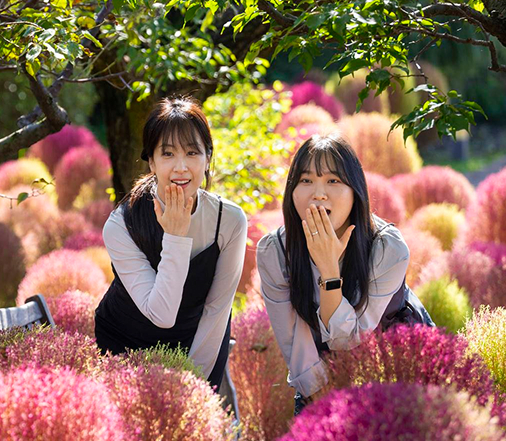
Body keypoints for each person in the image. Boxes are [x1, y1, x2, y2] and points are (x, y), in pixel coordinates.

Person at [256, 132, 434, 416]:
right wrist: (321, 399)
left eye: (332, 181)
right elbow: (294, 339)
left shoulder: (387, 248)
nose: (318, 193)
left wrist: (328, 270)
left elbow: (349, 340)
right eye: (305, 181)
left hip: (396, 366)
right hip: (320, 377)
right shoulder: (275, 252)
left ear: (355, 191)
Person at [94, 96, 247, 388]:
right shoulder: (120, 225)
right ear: (151, 161)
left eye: (192, 153)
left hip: (194, 344)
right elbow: (161, 314)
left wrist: (193, 384)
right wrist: (176, 237)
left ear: (207, 159)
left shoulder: (229, 221)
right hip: (123, 346)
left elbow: (217, 311)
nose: (181, 167)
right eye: (167, 154)